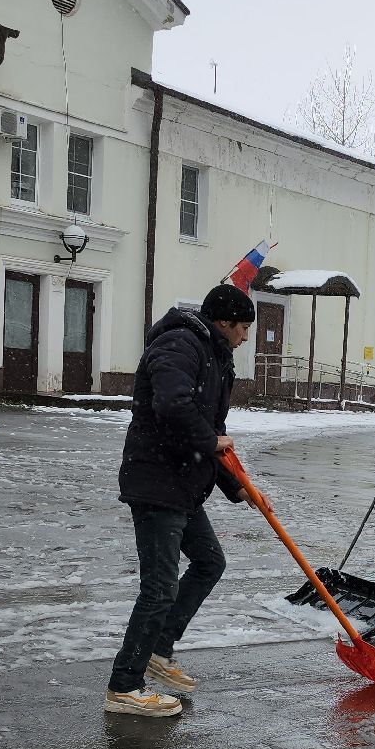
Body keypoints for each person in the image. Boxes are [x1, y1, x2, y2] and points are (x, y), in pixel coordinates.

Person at [104, 284, 254, 717]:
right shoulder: (179, 343)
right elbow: (172, 406)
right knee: (159, 588)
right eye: (243, 327)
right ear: (224, 322)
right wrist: (211, 440)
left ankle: (158, 649)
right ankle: (124, 686)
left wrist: (237, 486)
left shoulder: (214, 356)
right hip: (157, 481)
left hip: (183, 483)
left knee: (210, 562)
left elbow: (212, 433)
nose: (245, 337)